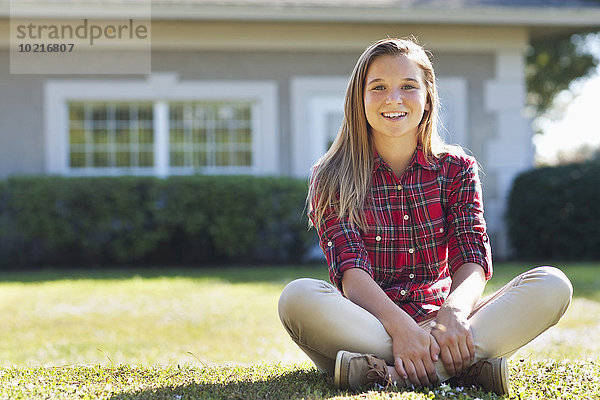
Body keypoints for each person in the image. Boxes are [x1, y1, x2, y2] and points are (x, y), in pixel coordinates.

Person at [277, 37, 572, 396]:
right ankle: (458, 369)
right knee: (297, 297)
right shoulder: (332, 176)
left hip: (445, 322)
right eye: (379, 87)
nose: (393, 98)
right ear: (360, 99)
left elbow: (472, 256)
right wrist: (402, 331)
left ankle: (386, 373)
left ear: (427, 96)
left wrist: (455, 313)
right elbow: (351, 274)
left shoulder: (457, 169)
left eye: (408, 86)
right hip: (371, 325)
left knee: (552, 284)